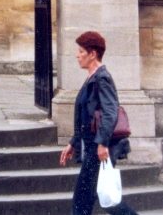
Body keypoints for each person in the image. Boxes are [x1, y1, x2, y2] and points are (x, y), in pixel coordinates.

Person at [60, 31, 139, 215]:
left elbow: (110, 112)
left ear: (92, 54)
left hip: (98, 148)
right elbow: (86, 117)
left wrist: (102, 143)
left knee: (85, 199)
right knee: (98, 200)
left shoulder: (102, 77)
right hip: (92, 146)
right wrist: (73, 142)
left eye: (81, 51)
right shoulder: (92, 77)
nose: (77, 55)